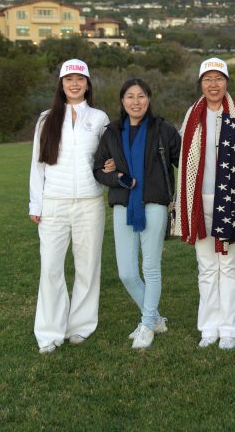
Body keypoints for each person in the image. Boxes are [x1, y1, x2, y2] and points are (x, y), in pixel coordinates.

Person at [174, 57, 235, 350]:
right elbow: (182, 152)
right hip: (198, 202)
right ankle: (209, 327)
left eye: (219, 79)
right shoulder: (192, 114)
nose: (213, 84)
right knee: (207, 266)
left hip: (229, 201)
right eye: (208, 79)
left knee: (230, 266)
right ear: (201, 83)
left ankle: (230, 329)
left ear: (227, 82)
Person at [29, 59, 111, 354]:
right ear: (61, 85)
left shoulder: (99, 118)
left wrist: (110, 168)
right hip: (54, 203)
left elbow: (106, 157)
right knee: (51, 267)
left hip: (90, 203)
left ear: (87, 84)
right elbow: (37, 165)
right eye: (69, 80)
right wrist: (36, 203)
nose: (74, 84)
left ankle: (80, 326)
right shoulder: (46, 119)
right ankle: (49, 332)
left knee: (87, 267)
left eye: (80, 80)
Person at [92, 78, 181, 349]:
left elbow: (185, 159)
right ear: (122, 101)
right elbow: (98, 170)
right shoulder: (112, 132)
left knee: (150, 268)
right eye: (130, 96)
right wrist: (116, 177)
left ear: (149, 99)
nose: (136, 101)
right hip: (123, 205)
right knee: (127, 273)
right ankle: (155, 319)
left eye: (141, 96)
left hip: (154, 205)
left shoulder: (163, 129)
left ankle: (147, 324)